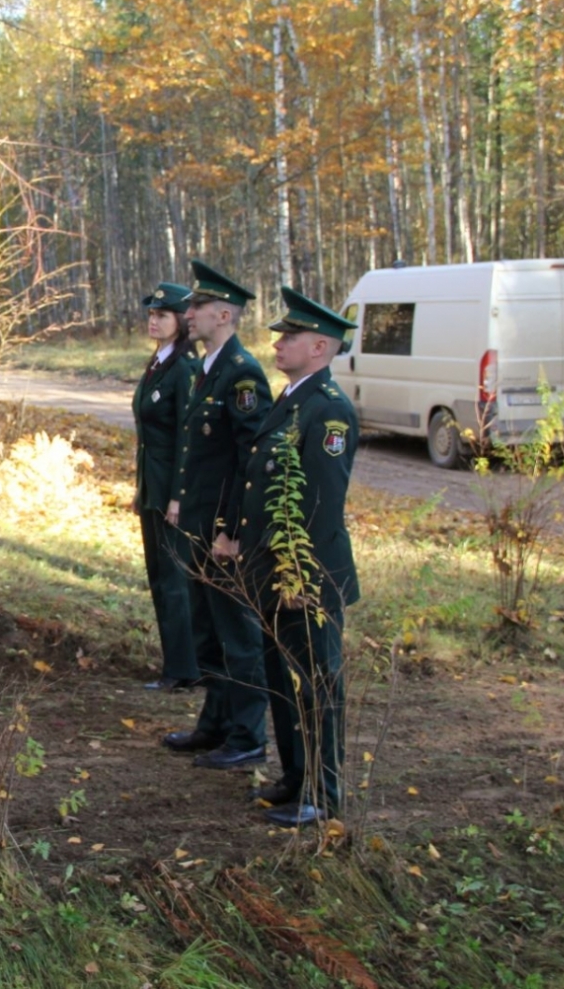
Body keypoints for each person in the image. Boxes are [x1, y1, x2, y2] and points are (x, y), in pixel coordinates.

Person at [234, 286, 360, 827]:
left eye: (292, 337)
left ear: (322, 348)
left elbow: (320, 506)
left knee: (317, 685)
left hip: (304, 575)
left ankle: (324, 795)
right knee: (281, 682)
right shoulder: (291, 399)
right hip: (272, 570)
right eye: (281, 335)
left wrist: (298, 577)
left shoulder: (328, 412)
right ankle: (295, 777)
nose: (279, 343)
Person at [160, 261, 274, 769]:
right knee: (207, 627)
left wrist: (232, 528)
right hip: (199, 522)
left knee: (237, 633)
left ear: (223, 313)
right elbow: (196, 452)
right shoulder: (207, 369)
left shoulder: (242, 374)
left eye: (197, 307)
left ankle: (248, 735)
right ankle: (216, 723)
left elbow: (251, 461)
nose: (188, 313)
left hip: (223, 530)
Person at [131, 283, 200, 691]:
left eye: (163, 314)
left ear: (182, 322)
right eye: (152, 313)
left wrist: (179, 494)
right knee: (159, 576)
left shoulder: (184, 368)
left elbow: (186, 439)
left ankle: (185, 668)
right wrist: (143, 489)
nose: (154, 319)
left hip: (172, 493)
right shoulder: (158, 361)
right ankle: (175, 662)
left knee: (175, 580)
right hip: (153, 488)